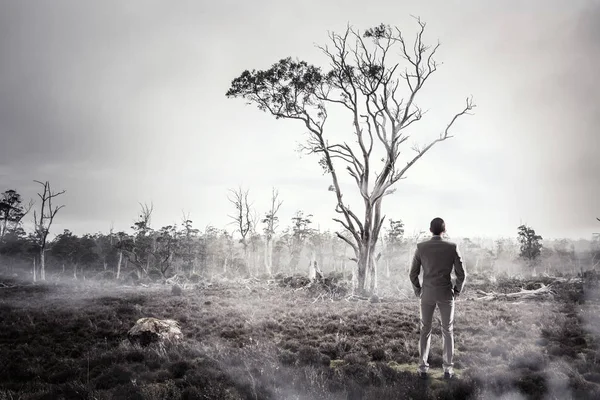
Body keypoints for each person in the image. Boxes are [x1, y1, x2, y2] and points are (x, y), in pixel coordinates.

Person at [409, 217, 466, 380]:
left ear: (429, 229)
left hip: (427, 293)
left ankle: (423, 369)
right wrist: (457, 291)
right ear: (444, 230)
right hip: (446, 294)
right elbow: (462, 274)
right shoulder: (452, 247)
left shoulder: (421, 247)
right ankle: (448, 370)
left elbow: (413, 273)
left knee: (425, 330)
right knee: (447, 330)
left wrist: (418, 290)